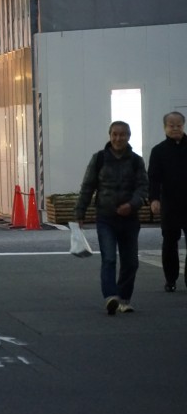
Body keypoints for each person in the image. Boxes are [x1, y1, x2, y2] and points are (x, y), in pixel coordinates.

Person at [75, 121, 148, 315]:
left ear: (128, 136)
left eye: (122, 135)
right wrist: (79, 213)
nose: (118, 138)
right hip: (105, 217)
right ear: (109, 135)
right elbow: (88, 186)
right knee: (108, 259)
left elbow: (143, 188)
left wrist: (131, 205)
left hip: (130, 219)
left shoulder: (136, 161)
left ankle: (124, 299)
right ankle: (110, 297)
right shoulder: (99, 158)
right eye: (115, 134)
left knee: (131, 261)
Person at [147, 111, 187, 292]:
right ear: (165, 128)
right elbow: (153, 178)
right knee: (170, 242)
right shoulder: (158, 151)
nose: (176, 128)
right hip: (169, 203)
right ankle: (170, 279)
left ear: (183, 126)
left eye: (179, 125)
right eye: (172, 125)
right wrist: (154, 199)